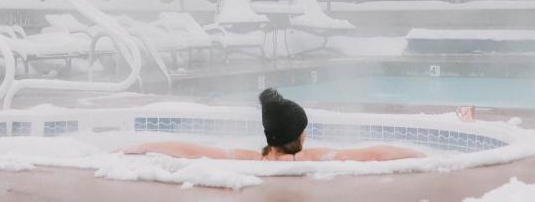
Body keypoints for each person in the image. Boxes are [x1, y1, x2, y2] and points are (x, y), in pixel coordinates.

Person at [122, 88, 425, 162]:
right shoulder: (314, 158)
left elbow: (188, 149)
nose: (307, 132)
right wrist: (423, 158)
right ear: (297, 134)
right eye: (304, 127)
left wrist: (142, 147)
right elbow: (374, 153)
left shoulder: (248, 159)